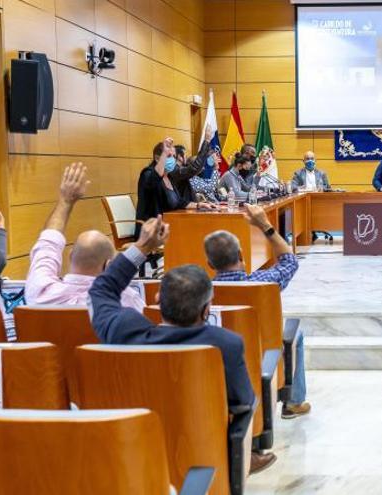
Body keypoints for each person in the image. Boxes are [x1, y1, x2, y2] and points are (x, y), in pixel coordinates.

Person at [87, 216, 277, 474]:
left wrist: (143, 247)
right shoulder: (225, 344)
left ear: (157, 299)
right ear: (207, 308)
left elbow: (101, 289)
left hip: (131, 458)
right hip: (204, 464)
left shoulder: (124, 330)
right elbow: (244, 402)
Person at [204, 204, 310, 419]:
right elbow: (289, 261)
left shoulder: (201, 291)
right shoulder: (263, 282)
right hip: (264, 349)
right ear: (241, 255)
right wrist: (265, 225)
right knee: (295, 335)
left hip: (216, 352)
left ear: (209, 263)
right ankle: (292, 402)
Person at [25, 162, 144, 311]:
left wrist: (65, 201)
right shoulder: (126, 301)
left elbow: (47, 244)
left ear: (70, 257)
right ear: (108, 266)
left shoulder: (40, 294)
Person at [134, 137, 213, 238]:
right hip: (151, 232)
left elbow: (179, 202)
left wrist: (198, 205)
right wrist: (164, 154)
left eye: (173, 156)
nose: (172, 159)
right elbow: (155, 178)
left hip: (169, 226)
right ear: (157, 158)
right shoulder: (147, 174)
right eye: (169, 156)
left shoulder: (170, 177)